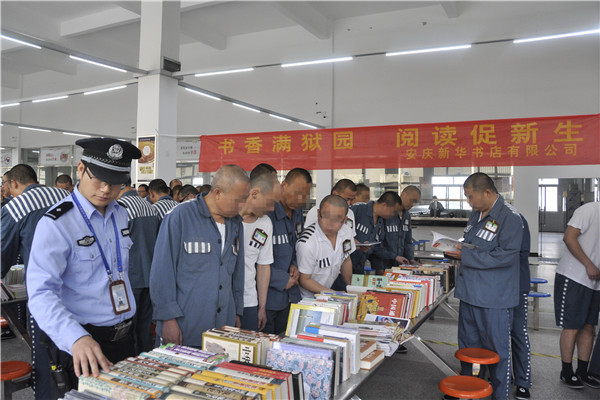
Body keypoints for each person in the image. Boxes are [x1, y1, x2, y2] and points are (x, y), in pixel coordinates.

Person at [26, 138, 142, 398]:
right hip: (83, 346)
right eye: (98, 178)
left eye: (114, 182)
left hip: (123, 339)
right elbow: (41, 293)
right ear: (80, 169)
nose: (105, 189)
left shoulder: (120, 214)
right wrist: (75, 338)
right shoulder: (57, 223)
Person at [149, 165, 249, 347]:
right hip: (185, 325)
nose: (242, 207)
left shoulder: (236, 225)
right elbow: (162, 272)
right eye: (239, 200)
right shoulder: (180, 217)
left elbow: (237, 273)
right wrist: (168, 319)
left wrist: (236, 312)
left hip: (222, 327)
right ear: (218, 193)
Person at [445, 172, 523, 400]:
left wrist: (465, 256)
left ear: (487, 192)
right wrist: (455, 248)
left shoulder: (510, 218)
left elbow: (505, 257)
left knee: (497, 352)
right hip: (470, 293)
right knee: (468, 349)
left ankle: (500, 396)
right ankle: (470, 391)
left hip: (493, 299)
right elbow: (472, 243)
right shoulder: (476, 214)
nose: (468, 202)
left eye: (470, 197)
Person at [1, 164, 70, 399]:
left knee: (44, 353)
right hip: (79, 287)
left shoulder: (17, 207)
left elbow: (2, 253)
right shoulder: (65, 195)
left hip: (44, 292)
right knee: (74, 347)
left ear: (14, 184)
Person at [554, 200, 600, 389]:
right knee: (572, 327)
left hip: (595, 281)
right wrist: (588, 264)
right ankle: (566, 371)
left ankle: (583, 371)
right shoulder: (589, 209)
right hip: (574, 277)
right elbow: (569, 237)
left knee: (588, 327)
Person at [265, 168, 312, 334]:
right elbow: (254, 259)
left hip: (291, 294)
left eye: (304, 196)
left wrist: (293, 264)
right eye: (297, 193)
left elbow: (293, 244)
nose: (300, 200)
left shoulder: (297, 211)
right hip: (268, 297)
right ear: (284, 185)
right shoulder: (266, 212)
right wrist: (281, 278)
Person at [117, 179, 160, 353]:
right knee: (144, 327)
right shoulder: (150, 207)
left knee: (128, 329)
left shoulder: (121, 208)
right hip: (150, 275)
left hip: (130, 277)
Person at [239, 166, 281, 331]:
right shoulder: (229, 219)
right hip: (224, 302)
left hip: (249, 302)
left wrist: (261, 307)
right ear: (254, 194)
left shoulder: (265, 223)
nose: (272, 209)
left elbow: (263, 266)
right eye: (270, 202)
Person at [297, 195, 355, 298]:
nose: (330, 224)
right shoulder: (307, 242)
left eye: (337, 219)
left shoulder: (346, 232)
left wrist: (351, 288)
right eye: (326, 217)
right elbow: (304, 280)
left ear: (345, 220)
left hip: (327, 295)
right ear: (318, 214)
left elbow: (346, 260)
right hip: (306, 299)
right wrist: (333, 293)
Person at [349, 191, 402, 275]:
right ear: (384, 205)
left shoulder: (380, 222)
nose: (393, 215)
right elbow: (337, 233)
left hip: (359, 268)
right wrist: (352, 240)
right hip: (344, 266)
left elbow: (377, 247)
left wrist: (395, 257)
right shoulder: (357, 210)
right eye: (393, 211)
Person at [511, 214, 532, 399]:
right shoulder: (479, 217)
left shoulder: (516, 218)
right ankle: (500, 375)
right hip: (495, 288)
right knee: (495, 335)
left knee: (518, 333)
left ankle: (523, 382)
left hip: (516, 285)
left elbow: (522, 253)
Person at [397, 185, 422, 265]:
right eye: (411, 200)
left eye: (415, 202)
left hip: (402, 262)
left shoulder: (407, 216)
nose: (412, 204)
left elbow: (408, 241)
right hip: (386, 263)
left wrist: (411, 259)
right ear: (403, 194)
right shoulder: (387, 214)